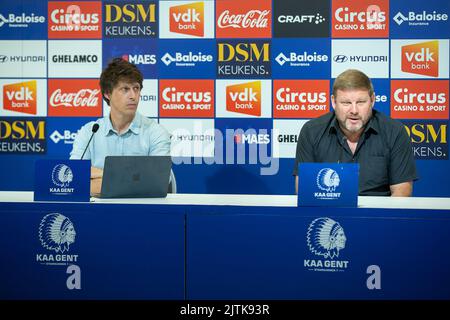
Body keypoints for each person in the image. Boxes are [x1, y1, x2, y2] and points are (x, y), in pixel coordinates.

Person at [293, 69, 418, 196]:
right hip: (328, 212)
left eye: (361, 102)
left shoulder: (395, 131)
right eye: (346, 103)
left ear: (373, 100)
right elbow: (304, 191)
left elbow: (401, 193)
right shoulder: (311, 131)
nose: (354, 110)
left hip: (377, 214)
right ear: (334, 102)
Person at [70, 58, 171, 194]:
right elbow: (74, 175)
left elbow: (160, 179)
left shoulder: (156, 132)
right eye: (125, 89)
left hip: (141, 210)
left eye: (136, 88)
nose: (133, 96)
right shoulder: (89, 131)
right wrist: (133, 179)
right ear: (107, 93)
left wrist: (100, 177)